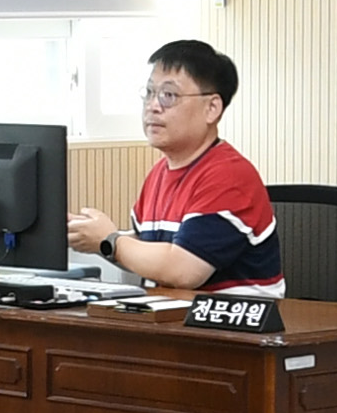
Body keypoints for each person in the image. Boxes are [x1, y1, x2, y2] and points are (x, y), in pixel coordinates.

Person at [68, 39, 282, 289]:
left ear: (212, 108)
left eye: (168, 96)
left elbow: (183, 271)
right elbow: (147, 250)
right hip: (170, 320)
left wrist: (110, 240)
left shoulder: (229, 175)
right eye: (149, 93)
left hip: (228, 325)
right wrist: (86, 234)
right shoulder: (160, 171)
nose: (152, 107)